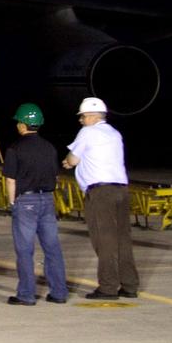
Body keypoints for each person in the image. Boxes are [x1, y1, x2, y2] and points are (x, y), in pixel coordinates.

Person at [63, 96, 139, 300]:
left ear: (91, 116)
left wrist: (69, 164)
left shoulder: (88, 132)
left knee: (104, 240)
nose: (80, 120)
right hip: (121, 189)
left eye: (82, 117)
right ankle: (129, 284)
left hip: (100, 192)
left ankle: (107, 287)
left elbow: (73, 158)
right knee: (122, 238)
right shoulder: (114, 133)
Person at [3, 103, 69, 305]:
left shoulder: (15, 148)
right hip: (47, 199)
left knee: (25, 250)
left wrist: (12, 202)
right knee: (52, 248)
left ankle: (26, 294)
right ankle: (59, 293)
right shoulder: (49, 148)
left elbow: (10, 179)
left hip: (26, 201)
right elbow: (55, 176)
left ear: (23, 125)